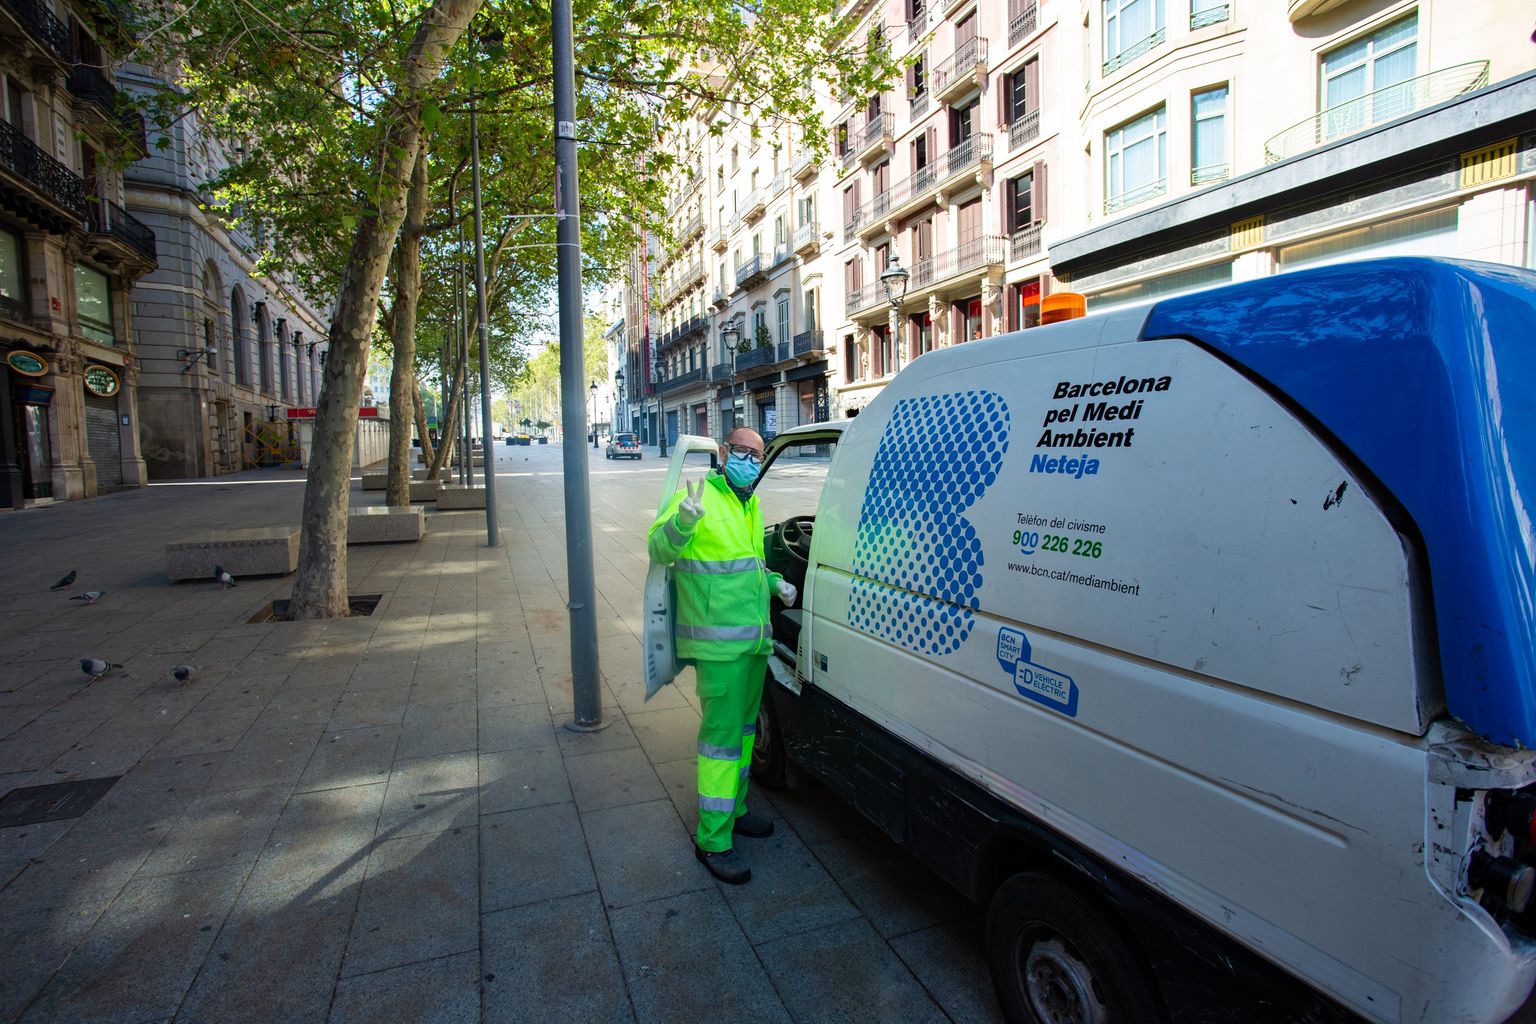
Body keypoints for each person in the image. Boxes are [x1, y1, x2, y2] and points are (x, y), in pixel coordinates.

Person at [647, 426, 797, 885]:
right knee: (720, 742)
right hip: (718, 647)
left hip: (752, 644)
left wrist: (775, 584)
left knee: (745, 735)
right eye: (744, 452)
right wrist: (683, 521)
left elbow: (750, 566)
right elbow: (658, 546)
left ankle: (736, 808)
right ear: (725, 452)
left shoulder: (749, 503)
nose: (751, 460)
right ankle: (713, 839)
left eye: (758, 453)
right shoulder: (700, 497)